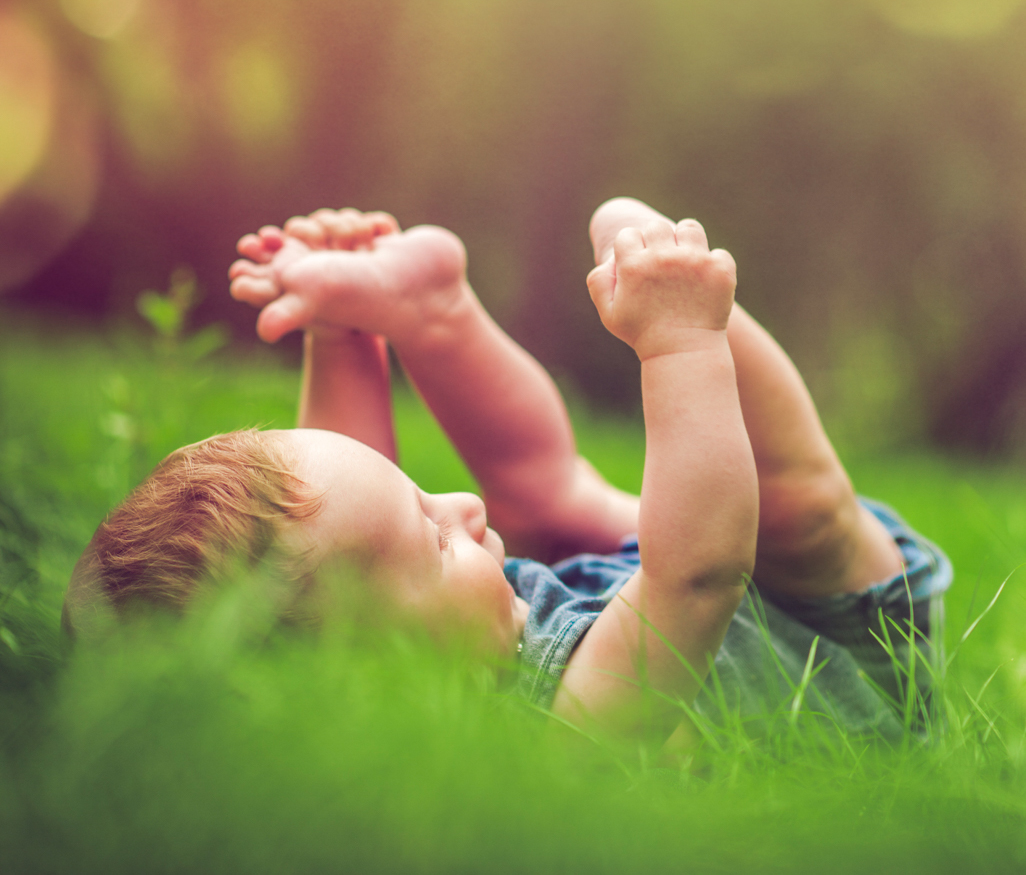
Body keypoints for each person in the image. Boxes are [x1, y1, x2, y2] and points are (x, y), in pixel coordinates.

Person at [63, 198, 952, 743]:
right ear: (378, 679)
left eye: (425, 501)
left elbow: (348, 502)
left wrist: (342, 337)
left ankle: (434, 314)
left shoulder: (428, 651)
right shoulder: (569, 727)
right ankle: (677, 297)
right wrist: (682, 342)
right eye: (433, 541)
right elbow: (698, 573)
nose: (462, 503)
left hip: (625, 576)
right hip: (838, 642)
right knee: (799, 507)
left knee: (544, 499)